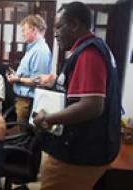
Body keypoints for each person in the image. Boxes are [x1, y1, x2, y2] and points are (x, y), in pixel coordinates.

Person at [33, 2, 121, 190]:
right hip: (96, 147)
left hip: (80, 152)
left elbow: (92, 106)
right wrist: (56, 81)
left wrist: (48, 118)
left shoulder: (88, 53)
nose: (55, 33)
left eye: (58, 27)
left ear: (74, 24)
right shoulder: (96, 47)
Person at [6, 14, 52, 123]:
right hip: (24, 100)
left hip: (29, 102)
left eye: (24, 30)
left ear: (34, 30)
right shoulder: (33, 48)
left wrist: (17, 79)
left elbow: (39, 81)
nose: (22, 34)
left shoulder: (40, 51)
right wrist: (17, 75)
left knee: (26, 136)